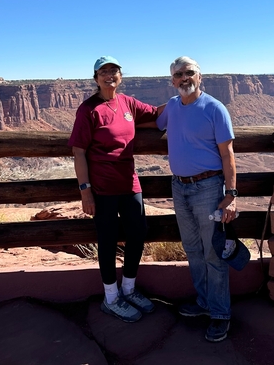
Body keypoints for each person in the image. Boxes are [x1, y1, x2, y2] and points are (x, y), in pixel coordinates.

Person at [68, 56, 163, 323]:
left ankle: (129, 289)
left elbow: (157, 115)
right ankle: (111, 298)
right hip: (102, 188)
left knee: (138, 233)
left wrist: (185, 99)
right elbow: (78, 152)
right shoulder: (88, 109)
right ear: (96, 77)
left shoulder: (127, 102)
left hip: (129, 183)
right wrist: (85, 191)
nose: (110, 75)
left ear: (120, 75)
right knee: (107, 241)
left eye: (114, 70)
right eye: (104, 71)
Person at [156, 56, 238, 342]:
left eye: (189, 72)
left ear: (199, 76)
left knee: (213, 252)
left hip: (208, 188)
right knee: (192, 249)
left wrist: (232, 195)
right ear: (172, 80)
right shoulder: (172, 107)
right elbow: (151, 120)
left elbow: (228, 154)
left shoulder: (215, 108)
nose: (184, 78)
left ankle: (220, 314)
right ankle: (204, 302)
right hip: (179, 188)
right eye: (178, 74)